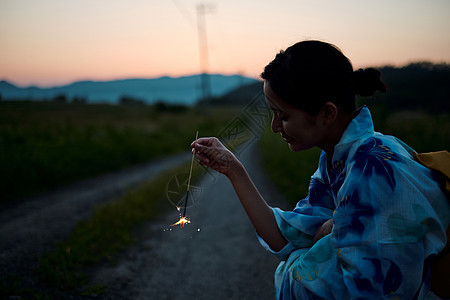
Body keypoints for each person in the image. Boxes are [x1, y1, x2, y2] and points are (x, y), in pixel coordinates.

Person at [191, 40, 450, 299]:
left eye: (283, 115)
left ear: (326, 113)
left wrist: (300, 259)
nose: (274, 127)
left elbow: (367, 290)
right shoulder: (337, 160)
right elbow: (290, 236)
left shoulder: (374, 170)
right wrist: (233, 168)